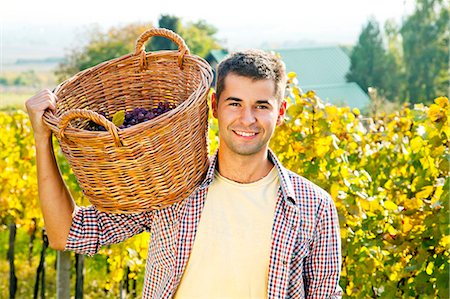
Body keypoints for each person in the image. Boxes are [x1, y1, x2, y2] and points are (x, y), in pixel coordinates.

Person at [26, 49, 342, 298]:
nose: (247, 119)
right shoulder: (173, 187)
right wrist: (42, 139)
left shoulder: (314, 207)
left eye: (261, 106)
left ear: (280, 112)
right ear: (215, 106)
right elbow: (66, 232)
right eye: (235, 103)